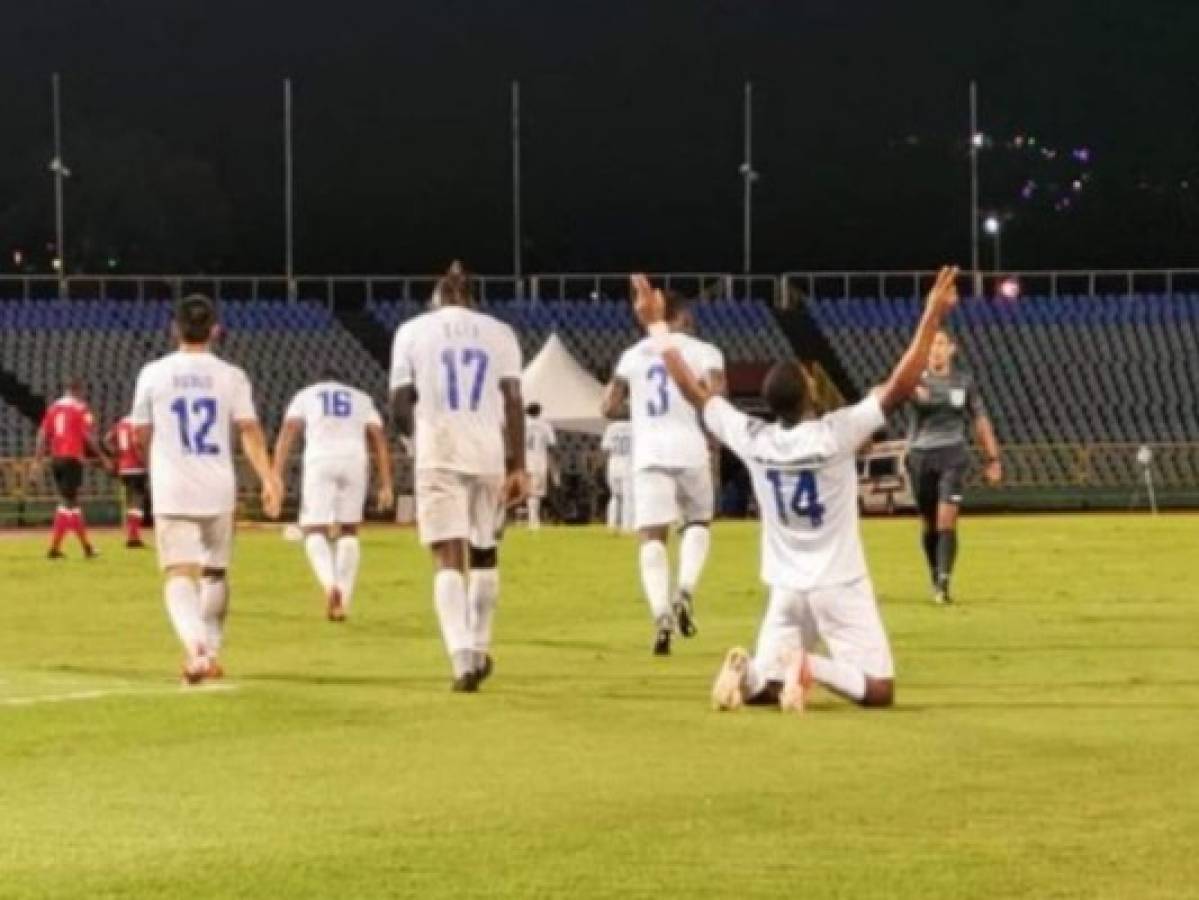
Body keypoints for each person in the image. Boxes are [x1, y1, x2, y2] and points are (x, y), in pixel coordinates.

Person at [628, 268, 960, 712]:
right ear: (809, 396)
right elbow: (900, 385)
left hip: (786, 584)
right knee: (879, 689)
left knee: (767, 685)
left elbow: (695, 392)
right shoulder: (834, 434)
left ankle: (748, 674)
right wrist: (932, 316)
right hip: (838, 580)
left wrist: (655, 326)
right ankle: (810, 667)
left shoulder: (754, 437)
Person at [129, 295, 281, 684]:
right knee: (215, 571)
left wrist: (157, 458)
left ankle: (196, 648)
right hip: (218, 486)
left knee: (179, 572)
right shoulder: (231, 375)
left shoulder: (154, 373)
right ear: (215, 330)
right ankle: (210, 649)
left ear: (174, 328)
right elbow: (249, 430)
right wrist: (268, 477)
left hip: (173, 486)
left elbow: (139, 433)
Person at [390, 262, 527, 693]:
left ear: (438, 296)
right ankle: (481, 647)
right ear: (471, 297)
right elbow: (514, 401)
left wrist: (416, 441)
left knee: (448, 556)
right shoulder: (500, 332)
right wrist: (518, 464)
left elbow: (398, 402)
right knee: (485, 553)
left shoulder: (412, 331)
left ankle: (462, 658)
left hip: (439, 450)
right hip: (487, 452)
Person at [601, 290, 725, 655]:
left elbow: (607, 406)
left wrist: (641, 415)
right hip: (690, 447)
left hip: (649, 452)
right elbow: (715, 396)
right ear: (681, 316)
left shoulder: (632, 354)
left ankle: (660, 616)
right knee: (698, 523)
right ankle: (684, 590)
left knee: (652, 538)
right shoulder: (706, 351)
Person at [273, 372, 394, 621]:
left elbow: (288, 431)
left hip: (320, 460)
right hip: (354, 460)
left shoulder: (306, 395)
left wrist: (276, 474)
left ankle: (330, 586)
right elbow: (378, 438)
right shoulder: (362, 398)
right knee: (349, 531)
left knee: (313, 530)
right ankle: (343, 600)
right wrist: (386, 482)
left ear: (319, 380)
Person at [905, 330, 1002, 604]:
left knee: (947, 518)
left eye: (941, 344)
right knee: (928, 522)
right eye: (932, 344)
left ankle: (944, 583)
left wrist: (993, 458)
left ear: (951, 349)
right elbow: (889, 395)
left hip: (953, 454)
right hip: (920, 456)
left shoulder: (963, 382)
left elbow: (980, 420)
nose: (936, 349)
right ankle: (935, 573)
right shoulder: (915, 379)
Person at [32, 378, 112, 559]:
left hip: (56, 459)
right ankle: (57, 548)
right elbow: (87, 435)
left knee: (71, 503)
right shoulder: (80, 408)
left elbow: (43, 434)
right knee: (68, 504)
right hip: (72, 458)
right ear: (79, 390)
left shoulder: (53, 408)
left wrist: (37, 460)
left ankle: (85, 548)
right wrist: (103, 457)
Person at [106, 415, 151, 549]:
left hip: (124, 468)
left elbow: (107, 439)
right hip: (137, 467)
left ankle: (132, 536)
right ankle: (133, 537)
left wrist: (117, 453)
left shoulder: (121, 423)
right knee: (138, 501)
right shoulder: (138, 423)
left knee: (130, 501)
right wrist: (145, 462)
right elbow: (138, 443)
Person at [523, 402, 557, 529]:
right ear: (539, 411)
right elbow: (552, 445)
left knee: (530, 492)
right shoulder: (545, 425)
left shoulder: (522, 424)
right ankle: (534, 521)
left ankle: (533, 520)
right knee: (536, 493)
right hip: (540, 461)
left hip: (526, 461)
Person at [600, 419, 634, 532]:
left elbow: (605, 448)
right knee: (628, 497)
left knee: (615, 496)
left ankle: (612, 525)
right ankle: (627, 526)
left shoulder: (611, 427)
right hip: (629, 464)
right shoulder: (634, 426)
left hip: (614, 464)